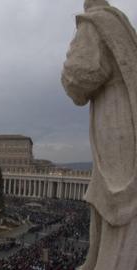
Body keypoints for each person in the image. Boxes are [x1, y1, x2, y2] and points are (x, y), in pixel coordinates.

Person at [62, 0, 137, 269]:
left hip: (115, 121)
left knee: (116, 200)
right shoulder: (126, 28)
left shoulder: (95, 22)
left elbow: (77, 80)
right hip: (128, 120)